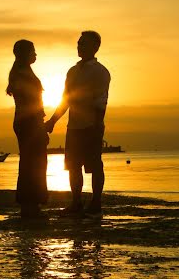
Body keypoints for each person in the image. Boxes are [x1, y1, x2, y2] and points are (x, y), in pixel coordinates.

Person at [45, 31, 110, 216]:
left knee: (95, 165)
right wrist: (52, 121)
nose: (79, 46)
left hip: (92, 125)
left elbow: (101, 101)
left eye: (83, 43)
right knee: (73, 165)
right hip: (73, 126)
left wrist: (98, 125)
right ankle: (76, 202)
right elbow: (65, 100)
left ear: (94, 47)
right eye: (78, 43)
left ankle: (96, 202)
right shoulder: (72, 71)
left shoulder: (100, 72)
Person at [7, 39, 48, 218]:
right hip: (29, 122)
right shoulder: (22, 73)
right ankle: (30, 203)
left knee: (31, 162)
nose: (36, 54)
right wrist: (40, 126)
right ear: (25, 54)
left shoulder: (21, 72)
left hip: (26, 121)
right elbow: (31, 104)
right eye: (33, 51)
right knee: (34, 162)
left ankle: (31, 202)